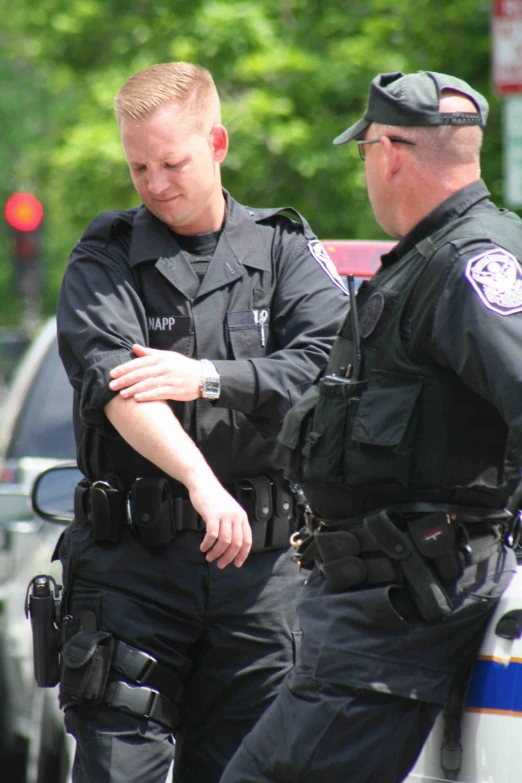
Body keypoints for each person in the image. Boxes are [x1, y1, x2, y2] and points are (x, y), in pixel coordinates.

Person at [220, 71, 522, 783]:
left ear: (389, 151)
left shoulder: (466, 263)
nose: (366, 171)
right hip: (375, 612)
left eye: (364, 155)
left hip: (398, 619)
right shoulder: (434, 255)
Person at [54, 61, 348, 783]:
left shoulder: (282, 251)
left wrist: (211, 376)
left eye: (172, 162)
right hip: (134, 567)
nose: (155, 183)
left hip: (259, 575)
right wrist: (199, 482)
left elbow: (329, 361)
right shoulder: (105, 255)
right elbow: (120, 386)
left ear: (217, 143)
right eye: (138, 166)